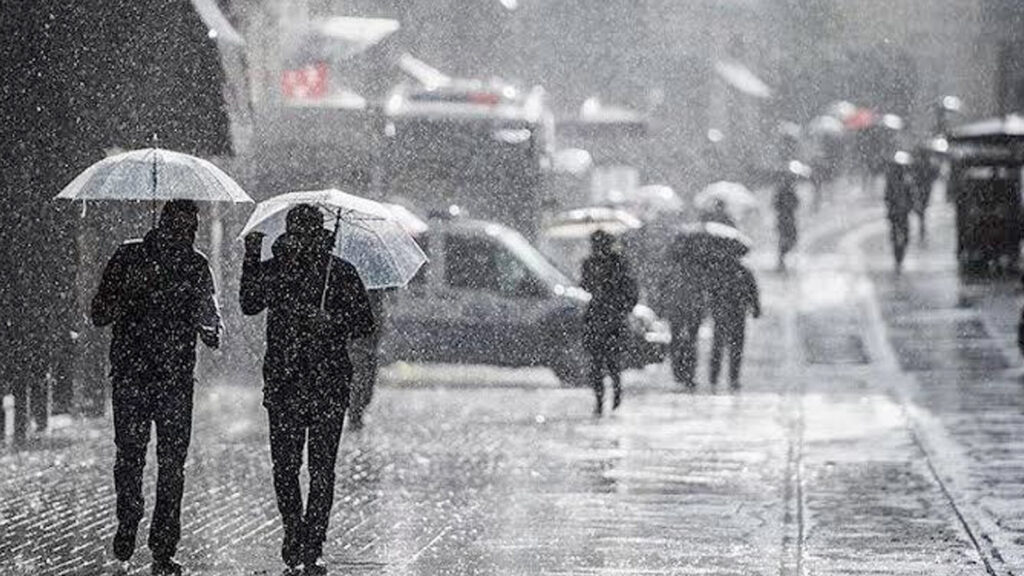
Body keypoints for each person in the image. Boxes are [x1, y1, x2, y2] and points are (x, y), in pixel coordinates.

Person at [240, 205, 374, 576]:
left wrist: (332, 320)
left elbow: (364, 323)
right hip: (285, 381)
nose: (302, 241)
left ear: (320, 235)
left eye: (308, 234)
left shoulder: (340, 272)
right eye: (296, 233)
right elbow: (250, 304)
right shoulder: (277, 269)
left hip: (328, 382)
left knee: (321, 469)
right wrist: (251, 258)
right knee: (286, 467)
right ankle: (293, 530)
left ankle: (313, 542)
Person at [91, 200, 221, 576]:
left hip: (175, 380)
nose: (187, 237)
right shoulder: (128, 257)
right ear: (163, 225)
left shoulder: (196, 265)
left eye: (192, 230)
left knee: (172, 464)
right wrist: (132, 291)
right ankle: (129, 517)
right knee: (130, 456)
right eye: (181, 229)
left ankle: (164, 545)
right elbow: (99, 313)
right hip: (132, 376)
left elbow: (210, 316)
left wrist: (211, 330)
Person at [580, 230, 638, 416]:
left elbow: (630, 290)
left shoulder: (618, 263)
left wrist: (620, 305)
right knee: (598, 363)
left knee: (610, 362)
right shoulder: (590, 263)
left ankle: (614, 394)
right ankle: (600, 400)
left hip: (610, 317)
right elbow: (585, 285)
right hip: (599, 317)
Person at [659, 234, 708, 388]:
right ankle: (688, 373)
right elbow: (702, 290)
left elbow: (663, 289)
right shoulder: (697, 269)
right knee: (690, 342)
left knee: (677, 340)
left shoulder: (672, 268)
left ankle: (679, 372)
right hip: (691, 309)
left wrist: (662, 306)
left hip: (677, 309)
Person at [707, 259, 760, 389]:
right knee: (735, 347)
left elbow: (711, 293)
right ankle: (733, 378)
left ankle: (714, 377)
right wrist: (755, 308)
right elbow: (752, 292)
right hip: (737, 314)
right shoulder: (744, 272)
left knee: (718, 346)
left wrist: (712, 308)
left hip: (723, 314)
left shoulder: (719, 271)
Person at [347, 289, 387, 430]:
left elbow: (379, 329)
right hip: (359, 349)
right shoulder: (355, 300)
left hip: (369, 350)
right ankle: (354, 413)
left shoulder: (378, 304)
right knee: (360, 381)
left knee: (366, 384)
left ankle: (356, 411)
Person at [885, 154, 915, 274]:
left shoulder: (907, 180)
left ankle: (899, 255)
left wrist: (909, 206)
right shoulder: (892, 180)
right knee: (896, 235)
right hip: (896, 213)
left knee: (904, 236)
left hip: (903, 213)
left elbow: (911, 195)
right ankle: (898, 257)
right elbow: (887, 196)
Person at [774, 173, 800, 271]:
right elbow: (775, 205)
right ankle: (781, 260)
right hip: (784, 220)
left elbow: (797, 204)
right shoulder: (782, 192)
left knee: (790, 239)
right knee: (785, 240)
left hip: (788, 219)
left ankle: (782, 260)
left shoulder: (790, 192)